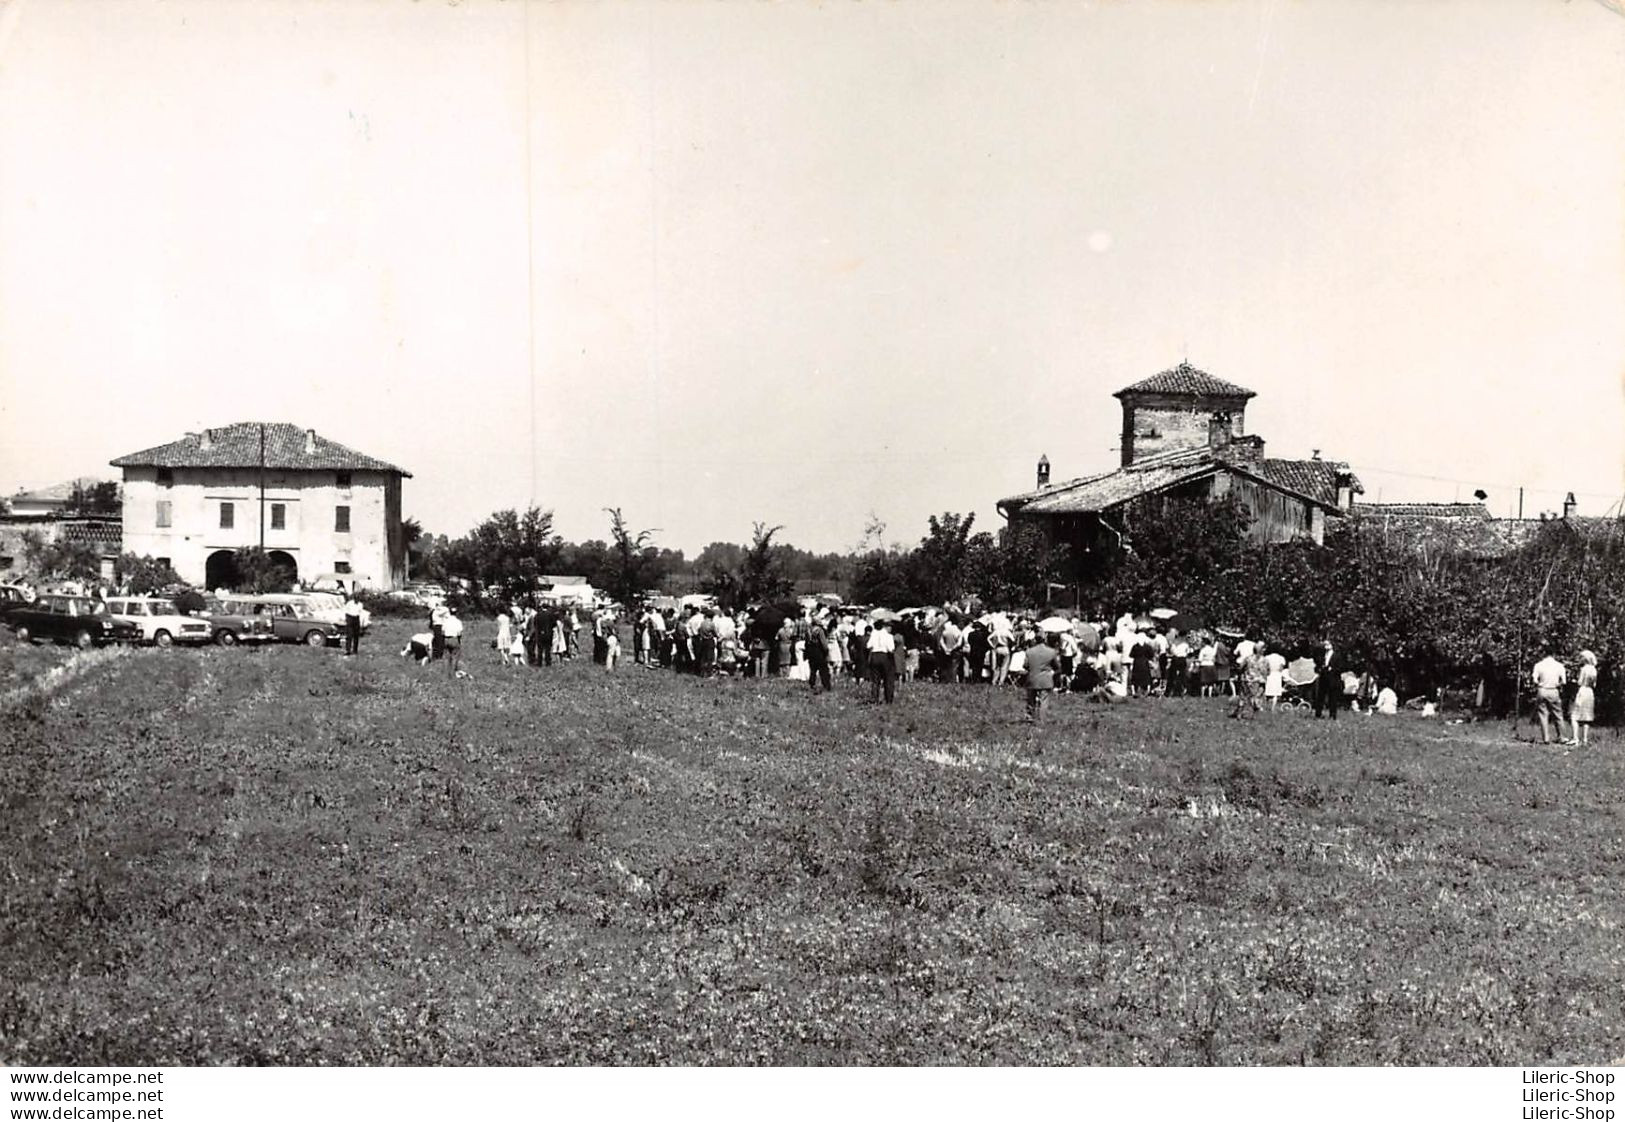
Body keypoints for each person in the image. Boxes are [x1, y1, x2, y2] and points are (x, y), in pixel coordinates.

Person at [1530, 649, 1568, 744]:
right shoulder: (1559, 666)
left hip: (1542, 689)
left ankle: (1546, 738)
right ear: (1554, 654)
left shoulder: (1538, 665)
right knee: (1558, 714)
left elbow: (1534, 679)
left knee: (1543, 714)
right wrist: (1557, 684)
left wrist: (1540, 684)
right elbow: (1563, 681)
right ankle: (1562, 737)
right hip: (1553, 690)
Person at [1023, 632, 1059, 724]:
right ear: (1045, 640)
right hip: (1045, 679)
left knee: (1031, 699)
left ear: (1035, 640)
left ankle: (1030, 717)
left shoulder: (1029, 651)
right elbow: (1057, 667)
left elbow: (1025, 665)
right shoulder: (1051, 652)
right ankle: (1042, 720)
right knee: (1044, 701)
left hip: (1032, 678)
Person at [866, 619, 898, 704]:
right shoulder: (889, 636)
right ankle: (888, 699)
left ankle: (874, 698)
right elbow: (891, 649)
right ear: (886, 627)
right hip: (884, 656)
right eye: (890, 627)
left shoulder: (874, 634)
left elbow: (868, 645)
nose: (891, 629)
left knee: (875, 680)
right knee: (888, 679)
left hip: (874, 655)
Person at [1572, 650, 1598, 746]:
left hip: (1582, 691)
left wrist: (1575, 680)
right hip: (1590, 692)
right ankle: (1585, 739)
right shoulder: (1594, 670)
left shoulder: (1584, 669)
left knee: (1575, 716)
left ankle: (1576, 738)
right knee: (1587, 717)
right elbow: (1594, 684)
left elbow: (1580, 682)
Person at [1313, 640, 1343, 719]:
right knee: (1320, 697)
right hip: (1323, 677)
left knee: (1332, 698)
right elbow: (1317, 665)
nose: (1325, 646)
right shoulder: (1322, 655)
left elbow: (1340, 667)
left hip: (1333, 679)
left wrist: (1332, 668)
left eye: (1327, 644)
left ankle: (1332, 715)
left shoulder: (1337, 655)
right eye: (1324, 644)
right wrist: (1319, 668)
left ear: (1332, 645)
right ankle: (1318, 714)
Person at [806, 613, 833, 694]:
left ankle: (812, 684)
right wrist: (826, 651)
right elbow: (823, 643)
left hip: (811, 651)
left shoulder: (809, 630)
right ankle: (826, 685)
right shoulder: (820, 631)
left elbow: (806, 642)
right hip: (819, 651)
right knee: (823, 669)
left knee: (813, 669)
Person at [442, 608, 465, 676]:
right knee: (455, 657)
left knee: (446, 657)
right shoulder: (458, 621)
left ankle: (446, 673)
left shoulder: (446, 621)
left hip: (446, 639)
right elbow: (459, 633)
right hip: (454, 639)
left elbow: (442, 632)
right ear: (456, 613)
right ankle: (453, 673)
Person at [342, 591, 364, 656]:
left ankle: (355, 650)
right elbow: (345, 611)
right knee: (349, 635)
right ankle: (347, 650)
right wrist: (346, 619)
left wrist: (361, 623)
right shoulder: (349, 603)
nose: (357, 599)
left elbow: (360, 613)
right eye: (356, 598)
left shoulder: (360, 604)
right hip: (350, 618)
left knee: (356, 636)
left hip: (356, 619)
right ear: (354, 598)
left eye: (358, 598)